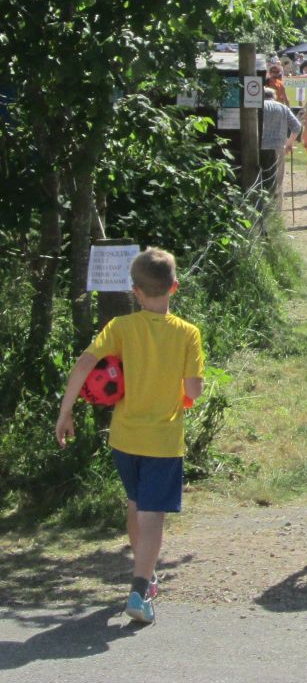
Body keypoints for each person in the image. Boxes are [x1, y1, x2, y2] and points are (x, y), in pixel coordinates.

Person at [55, 248, 204, 624]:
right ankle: (139, 588)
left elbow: (86, 361)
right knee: (153, 513)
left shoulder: (121, 328)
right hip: (164, 439)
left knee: (137, 504)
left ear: (134, 290)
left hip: (124, 437)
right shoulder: (188, 333)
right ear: (175, 287)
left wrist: (66, 410)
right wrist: (184, 393)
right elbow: (194, 389)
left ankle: (146, 574)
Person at [258, 87, 302, 196]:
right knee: (278, 179)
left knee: (260, 177)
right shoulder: (283, 108)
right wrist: (289, 144)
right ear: (274, 96)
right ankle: (276, 207)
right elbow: (297, 127)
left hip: (260, 146)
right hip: (278, 146)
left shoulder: (258, 107)